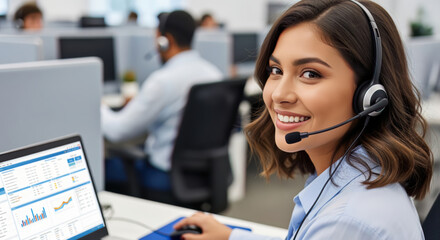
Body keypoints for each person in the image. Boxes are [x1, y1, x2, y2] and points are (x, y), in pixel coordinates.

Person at [174, 0, 433, 239]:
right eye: (276, 70)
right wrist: (232, 237)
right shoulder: (362, 174)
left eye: (310, 74)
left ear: (370, 96)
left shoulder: (346, 222)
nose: (278, 94)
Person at [101, 11, 222, 174]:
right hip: (205, 173)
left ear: (166, 41)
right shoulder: (214, 73)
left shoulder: (162, 81)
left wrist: (99, 107)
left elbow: (117, 132)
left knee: (105, 168)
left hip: (164, 173)